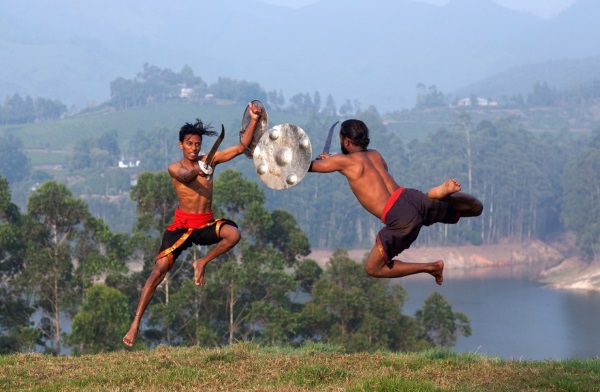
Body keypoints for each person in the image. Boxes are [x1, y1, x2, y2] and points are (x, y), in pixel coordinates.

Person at [122, 102, 263, 347]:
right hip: (182, 227)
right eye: (189, 144)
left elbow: (241, 147)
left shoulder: (210, 159)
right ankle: (135, 324)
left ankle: (202, 262)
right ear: (181, 144)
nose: (194, 148)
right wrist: (201, 169)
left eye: (197, 144)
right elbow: (186, 176)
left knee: (234, 234)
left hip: (205, 224)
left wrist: (253, 119)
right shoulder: (175, 167)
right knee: (158, 272)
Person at [308, 119, 483, 285]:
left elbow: (309, 167)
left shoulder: (343, 162)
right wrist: (333, 161)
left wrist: (295, 160)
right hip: (410, 197)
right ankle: (443, 197)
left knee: (373, 268)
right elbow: (361, 172)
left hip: (399, 216)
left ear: (346, 141)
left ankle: (431, 267)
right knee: (475, 209)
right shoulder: (375, 155)